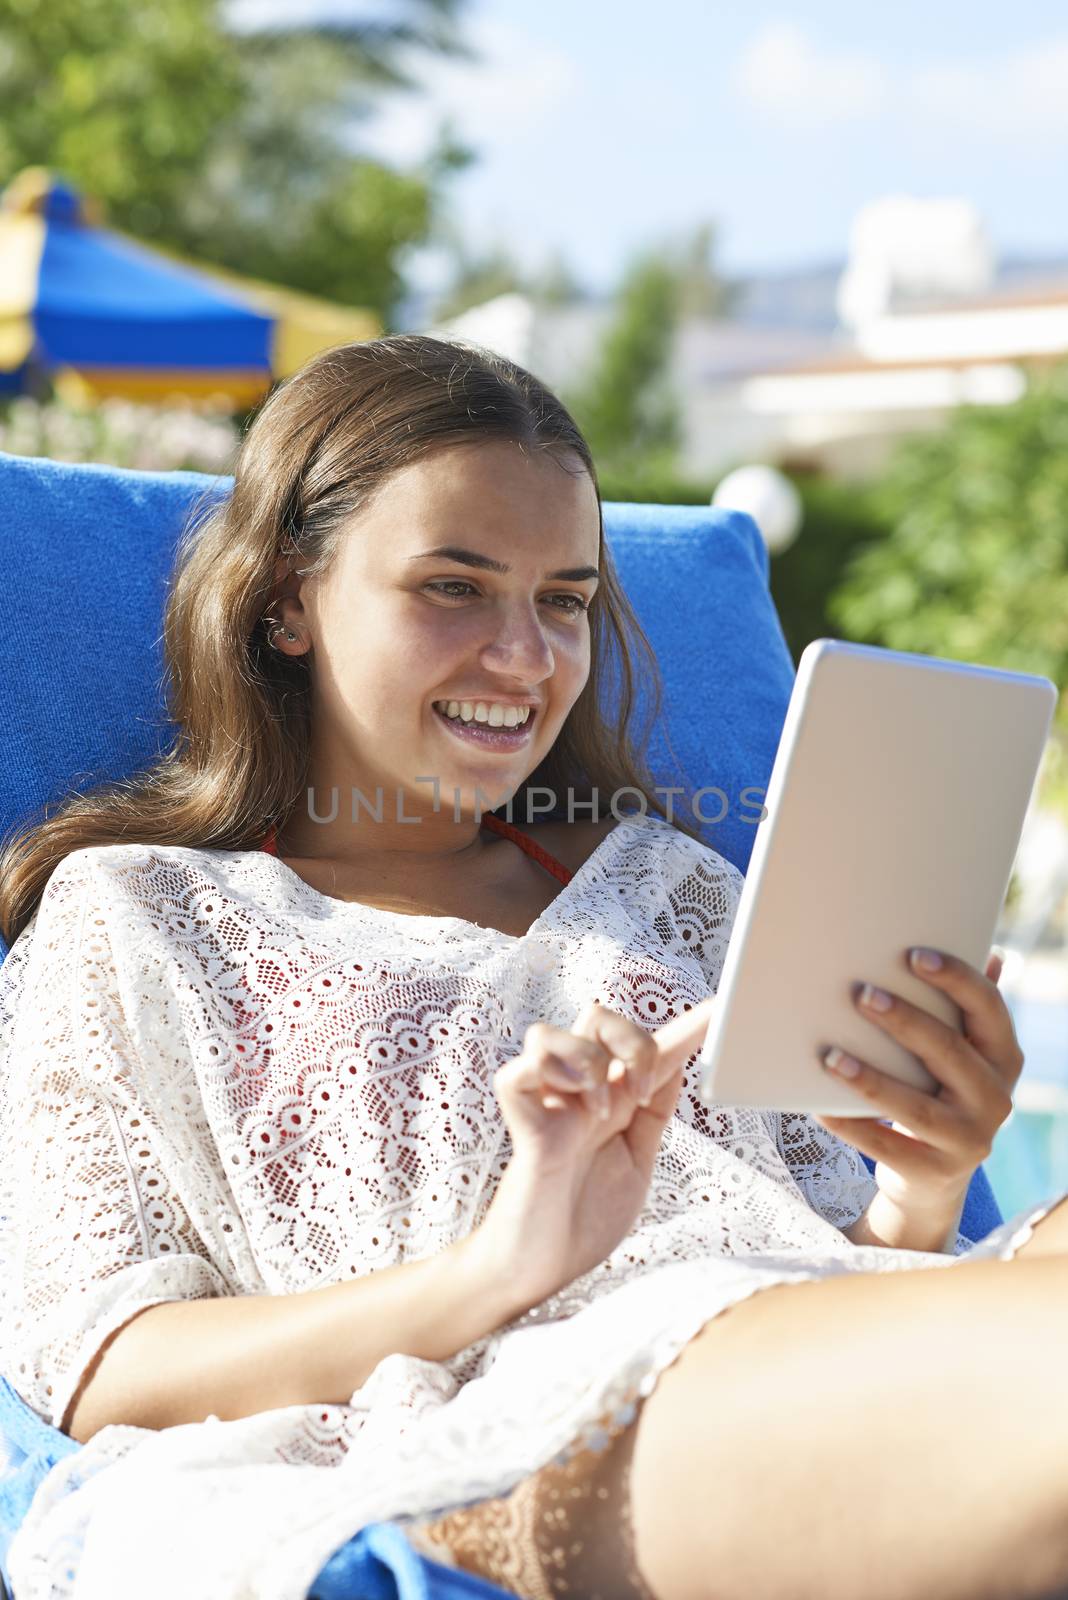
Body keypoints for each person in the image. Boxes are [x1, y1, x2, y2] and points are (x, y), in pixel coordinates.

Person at [0, 334, 1066, 1600]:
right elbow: (99, 1358)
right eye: (455, 585)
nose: (527, 655)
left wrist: (923, 1181)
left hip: (821, 1346)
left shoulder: (675, 889)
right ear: (285, 599)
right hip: (542, 1416)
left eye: (563, 599)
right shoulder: (138, 916)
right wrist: (500, 1265)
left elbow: (851, 1251)